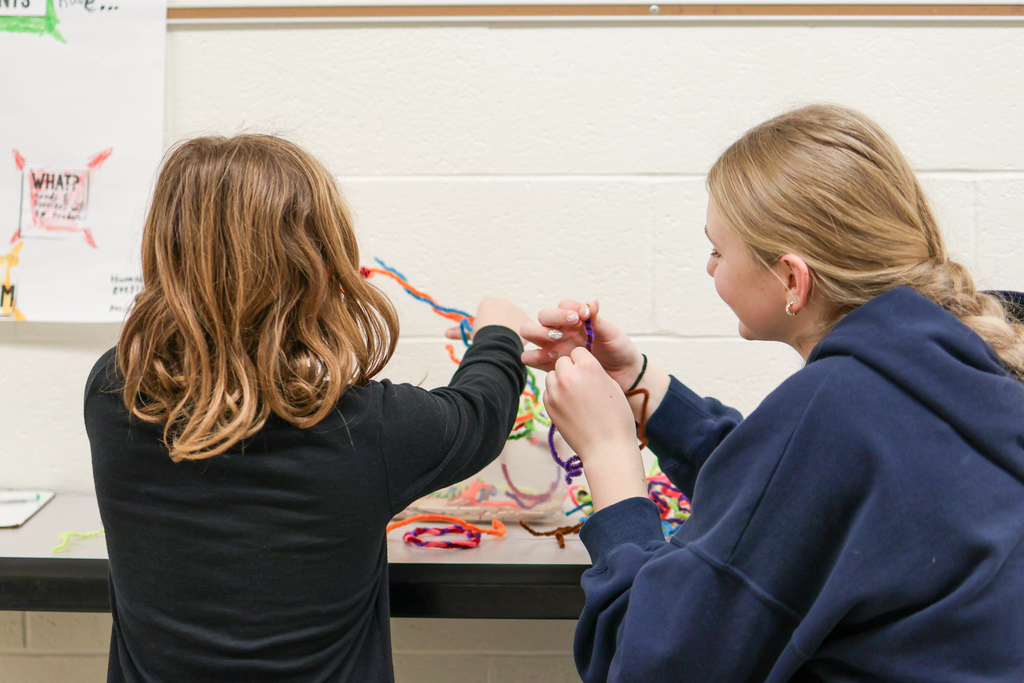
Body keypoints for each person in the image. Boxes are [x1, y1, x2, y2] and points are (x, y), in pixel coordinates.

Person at [522, 104, 1024, 682]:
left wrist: (608, 450)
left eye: (717, 249)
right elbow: (793, 496)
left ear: (792, 278)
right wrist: (640, 383)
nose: (710, 268)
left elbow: (647, 661)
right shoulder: (954, 367)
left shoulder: (839, 403)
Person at [85, 134, 529, 682]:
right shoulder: (367, 428)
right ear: (317, 265)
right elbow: (478, 413)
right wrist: (497, 331)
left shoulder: (114, 395)